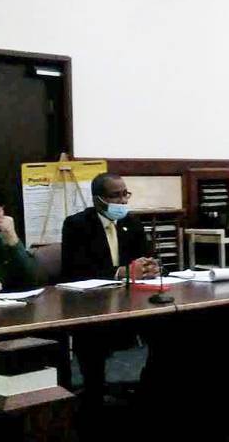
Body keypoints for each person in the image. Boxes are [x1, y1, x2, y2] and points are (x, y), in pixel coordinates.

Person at [60, 172, 160, 411]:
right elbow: (77, 269)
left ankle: (151, 386)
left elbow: (143, 257)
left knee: (166, 324)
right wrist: (121, 272)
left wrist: (150, 267)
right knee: (93, 336)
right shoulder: (76, 225)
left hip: (131, 299)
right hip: (91, 303)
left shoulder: (132, 223)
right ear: (98, 199)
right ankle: (93, 395)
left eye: (126, 194)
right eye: (116, 195)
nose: (123, 201)